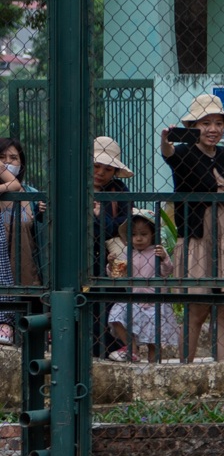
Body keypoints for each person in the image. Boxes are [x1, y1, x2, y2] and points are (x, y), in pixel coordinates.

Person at [163, 94, 224, 362]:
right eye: (205, 123)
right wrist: (166, 139)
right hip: (199, 237)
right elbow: (170, 155)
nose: (213, 129)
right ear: (194, 125)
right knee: (196, 310)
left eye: (218, 123)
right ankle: (185, 370)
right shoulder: (184, 152)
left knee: (223, 312)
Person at [106, 211, 178, 363]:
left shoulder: (157, 252)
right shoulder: (127, 253)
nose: (138, 238)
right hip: (134, 300)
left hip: (155, 301)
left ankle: (154, 367)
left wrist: (164, 258)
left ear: (152, 234)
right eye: (134, 234)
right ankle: (132, 349)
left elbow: (167, 271)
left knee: (154, 340)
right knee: (116, 315)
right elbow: (117, 275)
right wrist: (112, 264)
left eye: (144, 234)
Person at [91, 136, 134, 356]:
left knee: (110, 308)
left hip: (111, 261)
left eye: (107, 169)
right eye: (96, 166)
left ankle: (113, 351)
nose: (100, 173)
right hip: (83, 258)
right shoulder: (75, 186)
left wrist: (100, 217)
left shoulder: (121, 192)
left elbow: (122, 227)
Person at [0, 134, 38, 345]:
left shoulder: (31, 193)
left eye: (13, 157)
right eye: (2, 157)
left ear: (21, 162)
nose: (7, 162)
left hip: (24, 260)